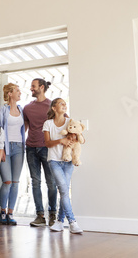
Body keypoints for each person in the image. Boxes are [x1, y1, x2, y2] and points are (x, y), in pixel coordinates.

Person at [43, 98, 83, 234]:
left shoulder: (69, 122)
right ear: (54, 108)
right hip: (54, 161)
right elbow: (47, 143)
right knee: (64, 190)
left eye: (65, 103)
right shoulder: (48, 124)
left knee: (64, 190)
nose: (64, 105)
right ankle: (72, 222)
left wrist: (73, 140)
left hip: (68, 162)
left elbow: (80, 136)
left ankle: (59, 222)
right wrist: (61, 140)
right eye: (61, 103)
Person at [23, 78, 58, 227]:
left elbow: (63, 121)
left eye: (33, 86)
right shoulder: (27, 108)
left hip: (47, 148)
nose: (31, 88)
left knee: (51, 182)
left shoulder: (52, 106)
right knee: (35, 182)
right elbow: (24, 127)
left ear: (41, 87)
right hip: (30, 148)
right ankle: (40, 216)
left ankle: (53, 214)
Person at [0, 83, 25, 226]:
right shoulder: (3, 110)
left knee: (15, 182)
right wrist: (0, 151)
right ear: (9, 94)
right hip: (5, 149)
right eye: (17, 90)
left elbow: (23, 128)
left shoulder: (21, 109)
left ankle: (11, 213)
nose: (20, 92)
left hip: (19, 148)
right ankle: (2, 211)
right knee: (7, 181)